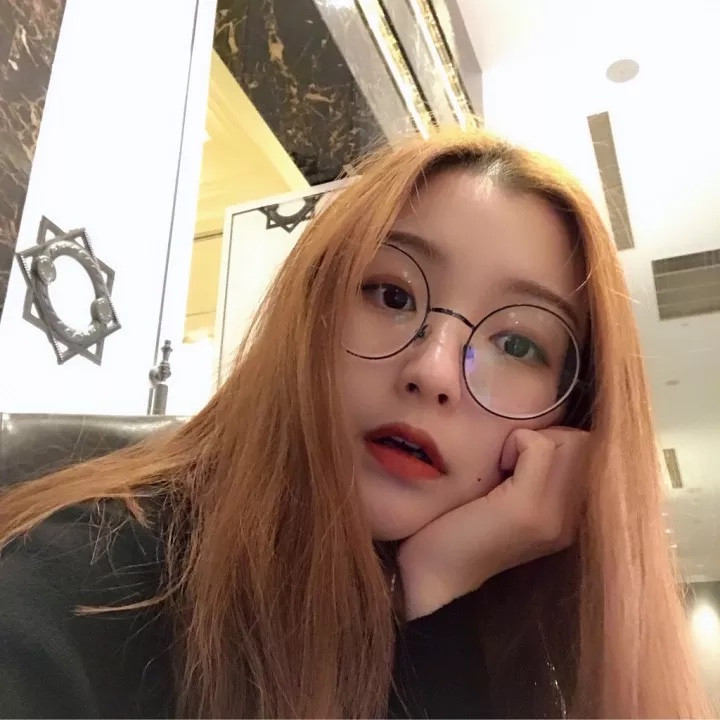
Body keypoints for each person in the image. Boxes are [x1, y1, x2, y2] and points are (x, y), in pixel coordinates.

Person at [0, 128, 709, 719]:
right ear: (311, 310)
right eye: (391, 294)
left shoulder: (533, 647)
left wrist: (436, 589)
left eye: (518, 344)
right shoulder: (92, 577)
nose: (433, 370)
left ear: (569, 421)